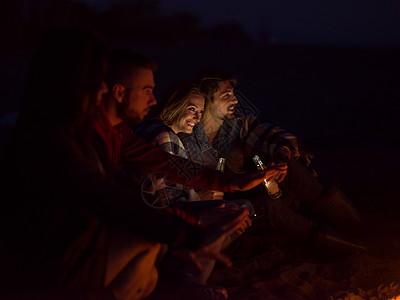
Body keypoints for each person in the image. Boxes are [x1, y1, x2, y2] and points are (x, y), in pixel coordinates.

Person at [0, 30, 263, 300]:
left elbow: (164, 165)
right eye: (147, 90)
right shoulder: (61, 138)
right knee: (149, 243)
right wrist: (185, 232)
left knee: (149, 263)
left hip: (78, 242)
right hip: (49, 257)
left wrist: (228, 184)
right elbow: (108, 196)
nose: (154, 100)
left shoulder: (111, 131)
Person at [192, 69, 364, 249]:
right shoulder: (189, 135)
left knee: (290, 168)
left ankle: (358, 228)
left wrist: (281, 158)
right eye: (227, 95)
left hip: (244, 192)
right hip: (226, 211)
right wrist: (200, 198)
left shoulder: (236, 124)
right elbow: (175, 192)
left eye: (234, 94)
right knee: (268, 205)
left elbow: (273, 136)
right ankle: (344, 246)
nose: (235, 100)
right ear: (207, 100)